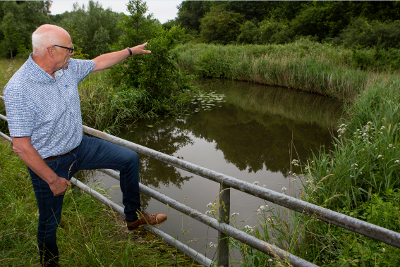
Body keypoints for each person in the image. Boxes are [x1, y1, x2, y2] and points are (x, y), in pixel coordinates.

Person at [3, 24, 167, 267]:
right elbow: (21, 147)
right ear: (51, 50)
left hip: (80, 147)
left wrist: (130, 51)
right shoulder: (19, 89)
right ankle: (50, 264)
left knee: (129, 159)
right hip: (49, 162)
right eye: (69, 49)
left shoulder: (66, 68)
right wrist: (52, 179)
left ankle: (132, 216)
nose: (72, 53)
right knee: (50, 222)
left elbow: (99, 62)